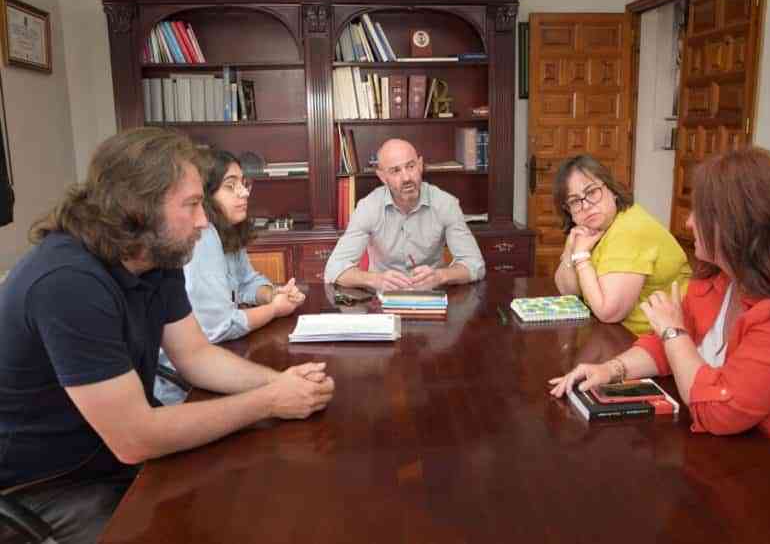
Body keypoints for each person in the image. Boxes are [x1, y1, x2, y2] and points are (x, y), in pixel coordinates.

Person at [0, 128, 335, 543]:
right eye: (192, 204)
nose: (202, 219)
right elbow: (135, 438)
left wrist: (284, 383)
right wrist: (269, 400)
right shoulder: (67, 282)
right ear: (138, 208)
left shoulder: (156, 254)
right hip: (45, 489)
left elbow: (195, 355)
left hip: (107, 460)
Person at [549, 147, 770, 489]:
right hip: (747, 452)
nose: (687, 223)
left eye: (699, 212)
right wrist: (609, 370)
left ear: (739, 223)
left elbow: (717, 411)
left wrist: (674, 332)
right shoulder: (720, 275)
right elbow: (663, 346)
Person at [154, 149, 306, 404]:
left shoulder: (227, 230)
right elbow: (219, 327)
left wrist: (272, 293)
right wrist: (275, 310)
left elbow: (247, 281)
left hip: (214, 363)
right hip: (183, 389)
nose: (244, 193)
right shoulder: (203, 236)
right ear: (204, 194)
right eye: (230, 186)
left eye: (243, 184)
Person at [552, 155, 691, 335]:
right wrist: (570, 249)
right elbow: (568, 290)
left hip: (663, 342)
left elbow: (609, 312)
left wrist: (581, 257)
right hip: (622, 336)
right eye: (574, 201)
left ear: (612, 190)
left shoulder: (630, 228)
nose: (585, 205)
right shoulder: (591, 230)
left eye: (592, 192)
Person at [324, 138, 485, 291]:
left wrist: (440, 276)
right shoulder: (368, 207)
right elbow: (333, 269)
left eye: (411, 166)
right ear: (382, 177)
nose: (407, 177)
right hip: (382, 301)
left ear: (420, 165)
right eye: (395, 171)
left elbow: (475, 265)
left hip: (432, 296)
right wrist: (375, 279)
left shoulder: (445, 204)